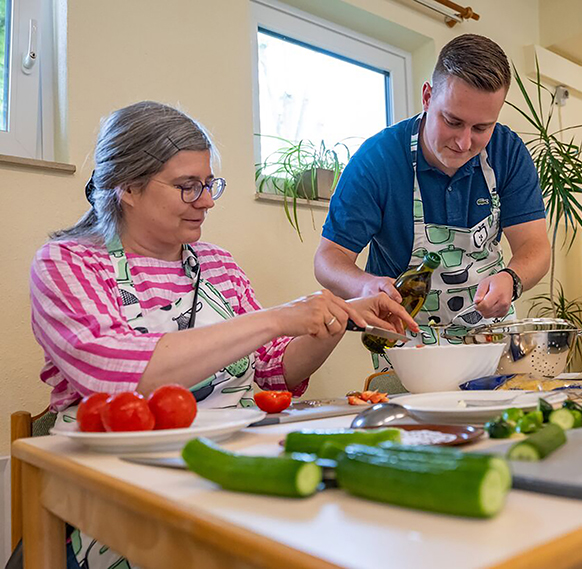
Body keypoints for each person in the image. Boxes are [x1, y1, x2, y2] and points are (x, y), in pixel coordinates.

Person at [28, 101, 417, 569]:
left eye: (209, 184)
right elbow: (117, 374)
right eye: (188, 186)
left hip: (226, 471)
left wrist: (338, 317)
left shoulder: (217, 264)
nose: (207, 201)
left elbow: (273, 372)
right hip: (115, 492)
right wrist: (276, 318)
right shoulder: (68, 263)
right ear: (127, 186)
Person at [314, 34, 551, 369]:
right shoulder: (377, 160)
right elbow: (328, 258)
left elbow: (535, 246)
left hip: (489, 338)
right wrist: (365, 284)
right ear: (427, 97)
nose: (464, 142)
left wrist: (511, 280)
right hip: (405, 343)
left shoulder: (507, 152)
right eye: (452, 122)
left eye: (481, 128)